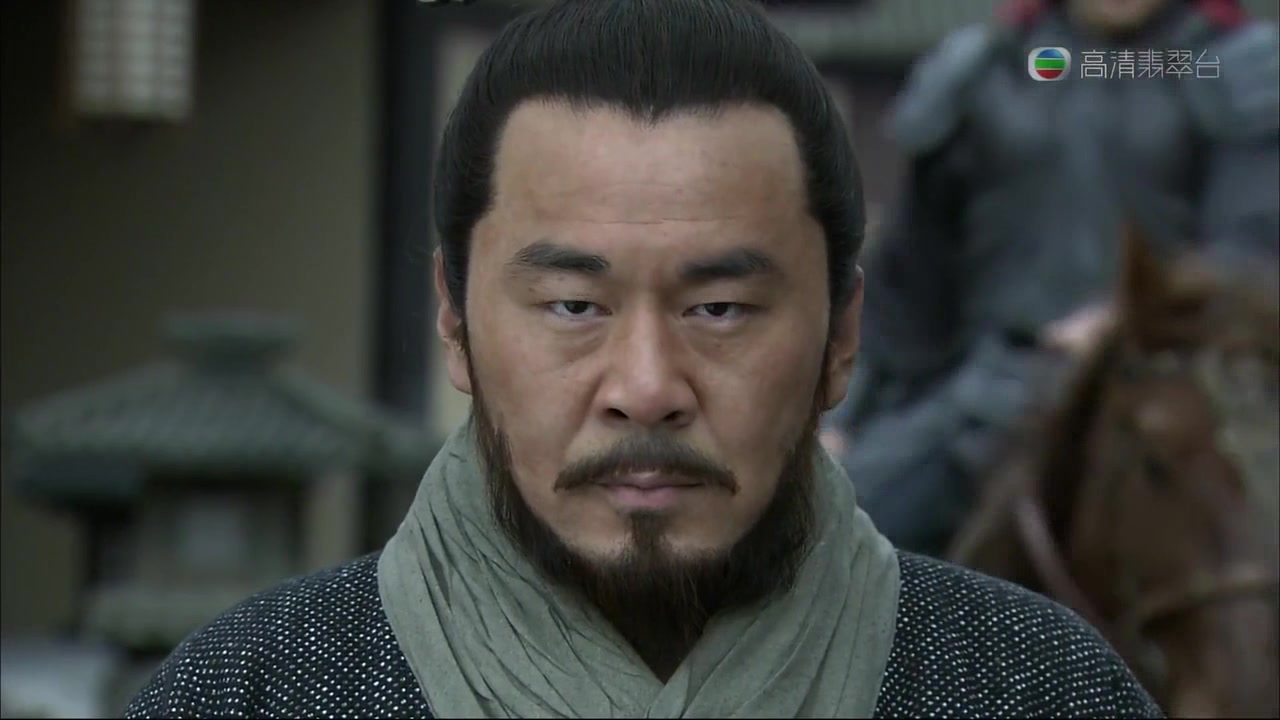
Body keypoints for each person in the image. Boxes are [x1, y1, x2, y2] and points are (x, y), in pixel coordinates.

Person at [123, 1, 1163, 717]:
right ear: (454, 318)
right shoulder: (253, 692)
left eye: (719, 308)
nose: (646, 387)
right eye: (573, 306)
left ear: (841, 335)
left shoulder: (1035, 690)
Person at [822, 0, 1280, 558]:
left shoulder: (1231, 66)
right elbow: (910, 289)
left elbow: (1251, 254)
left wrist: (1134, 313)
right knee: (841, 533)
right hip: (994, 394)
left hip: (1180, 385)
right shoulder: (985, 69)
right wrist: (844, 412)